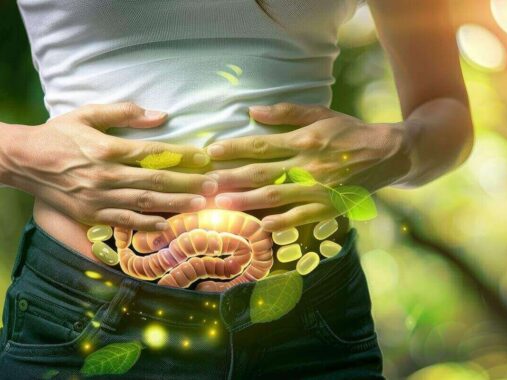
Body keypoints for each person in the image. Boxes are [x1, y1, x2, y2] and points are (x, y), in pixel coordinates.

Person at [0, 0, 473, 378]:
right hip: (85, 317)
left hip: (311, 323)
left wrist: (395, 146)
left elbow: (446, 111)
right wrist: (20, 153)